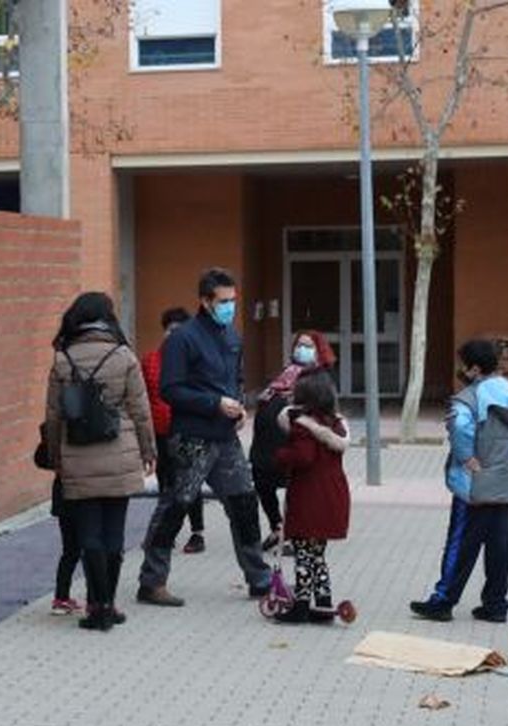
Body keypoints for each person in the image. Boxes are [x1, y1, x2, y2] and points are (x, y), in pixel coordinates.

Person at [136, 267, 272, 607]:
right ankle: (152, 581)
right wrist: (214, 404)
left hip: (225, 438)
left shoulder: (231, 336)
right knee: (174, 507)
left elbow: (236, 380)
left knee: (243, 503)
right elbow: (170, 389)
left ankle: (259, 577)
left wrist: (239, 407)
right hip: (192, 439)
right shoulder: (184, 339)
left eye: (233, 300)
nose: (230, 307)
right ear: (205, 301)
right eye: (223, 301)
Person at [43, 292, 156, 632]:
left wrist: (55, 458)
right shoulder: (123, 356)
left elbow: (53, 417)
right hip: (119, 454)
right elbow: (140, 409)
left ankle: (96, 608)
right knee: (114, 535)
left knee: (89, 534)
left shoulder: (63, 359)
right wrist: (149, 450)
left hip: (78, 455)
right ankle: (108, 603)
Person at [411, 339, 508, 623]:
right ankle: (495, 605)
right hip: (501, 480)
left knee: (460, 543)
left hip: (471, 484)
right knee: (498, 545)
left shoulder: (470, 396)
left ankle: (443, 600)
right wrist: (505, 455)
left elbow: (458, 425)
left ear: (474, 368)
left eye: (464, 365)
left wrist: (466, 456)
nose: (461, 369)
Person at [272, 372, 353, 624]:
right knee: (317, 553)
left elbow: (303, 457)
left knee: (303, 554)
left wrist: (281, 455)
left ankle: (302, 606)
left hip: (310, 496)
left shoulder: (304, 426)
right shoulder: (336, 425)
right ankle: (324, 602)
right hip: (334, 493)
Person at [250, 330, 337, 551]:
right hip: (265, 446)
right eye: (299, 344)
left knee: (295, 491)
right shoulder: (287, 373)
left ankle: (293, 532)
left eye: (308, 346)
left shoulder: (319, 378)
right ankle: (277, 527)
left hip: (293, 444)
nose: (302, 349)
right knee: (262, 483)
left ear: (319, 350)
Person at [142, 307, 205, 554]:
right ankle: (165, 530)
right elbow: (143, 396)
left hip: (188, 430)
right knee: (166, 481)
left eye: (179, 331)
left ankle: (197, 532)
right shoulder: (150, 360)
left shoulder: (194, 363)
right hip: (160, 430)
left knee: (191, 481)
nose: (173, 335)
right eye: (170, 330)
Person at [34, 425, 82, 615]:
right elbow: (41, 458)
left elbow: (40, 459)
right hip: (80, 494)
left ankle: (61, 598)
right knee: (84, 549)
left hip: (64, 494)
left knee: (70, 551)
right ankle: (96, 600)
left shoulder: (55, 428)